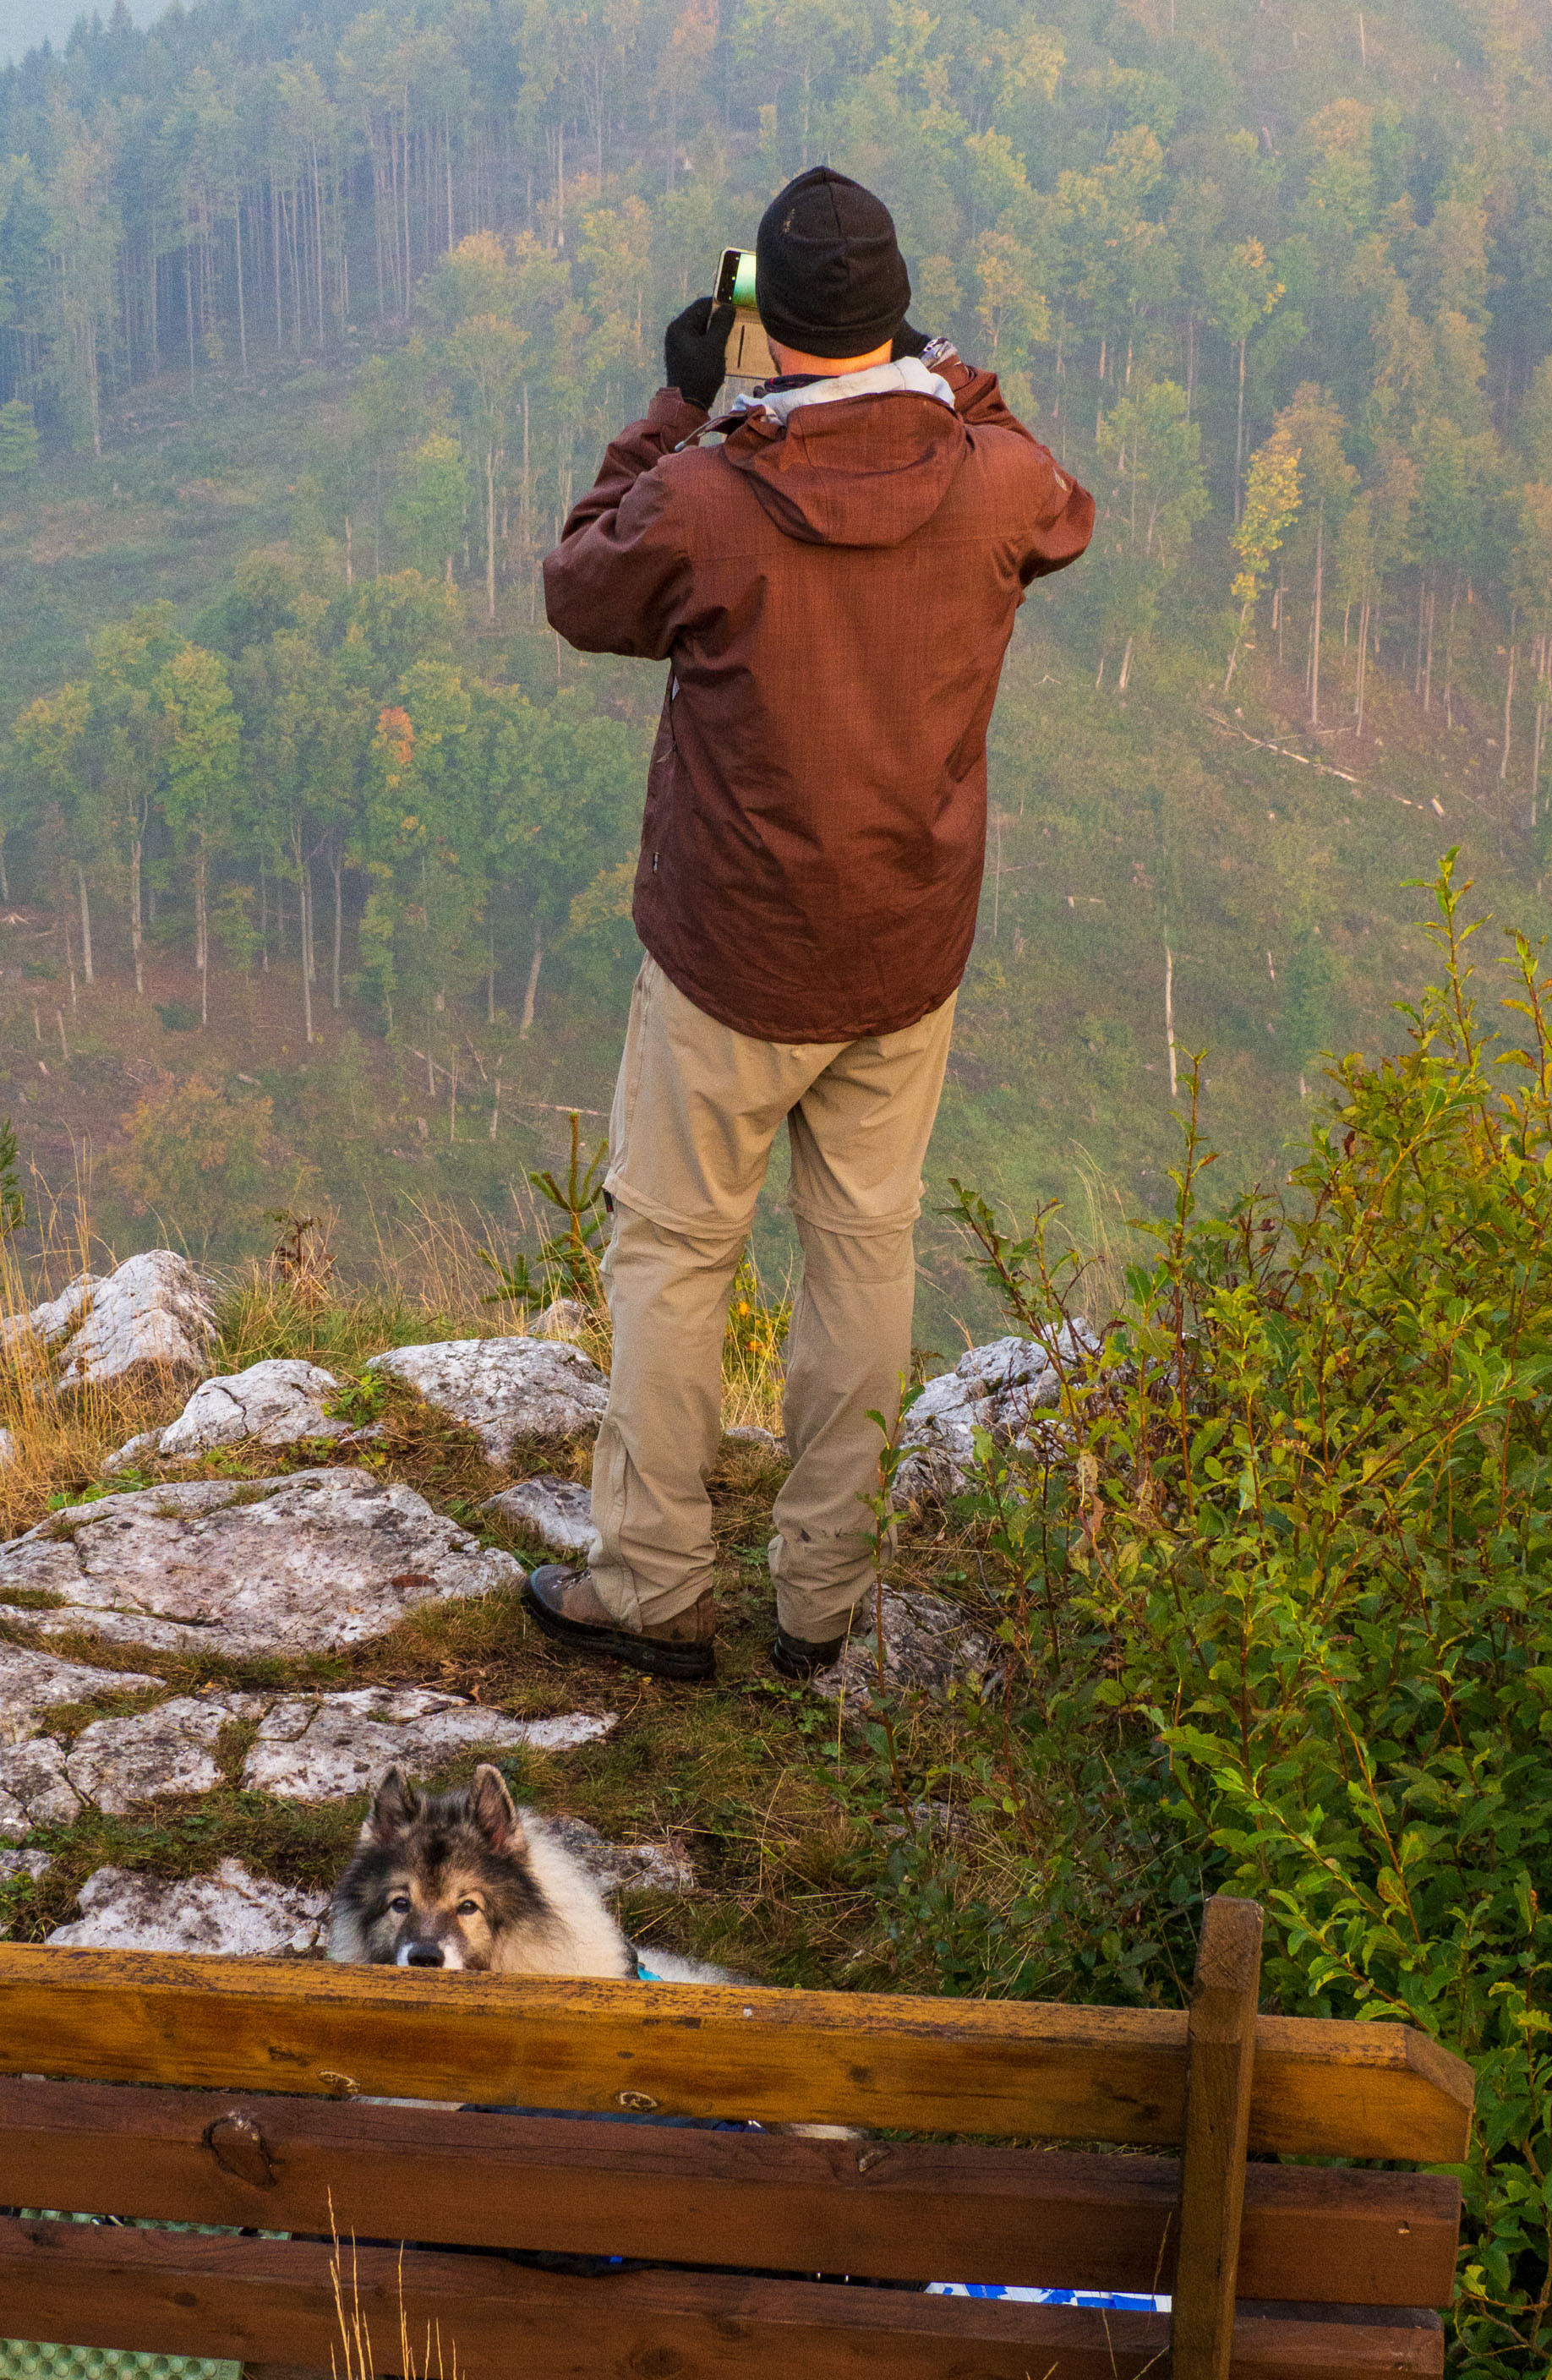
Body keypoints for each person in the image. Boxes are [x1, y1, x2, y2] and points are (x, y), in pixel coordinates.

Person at [527, 166, 1094, 1685]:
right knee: (864, 1251)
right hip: (902, 956)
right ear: (897, 313)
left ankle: (652, 1587)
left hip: (731, 956)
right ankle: (823, 1602)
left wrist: (678, 397)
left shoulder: (710, 498)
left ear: (761, 319)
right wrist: (934, 366)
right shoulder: (993, 477)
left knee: (674, 1255)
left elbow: (581, 583)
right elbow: (1054, 492)